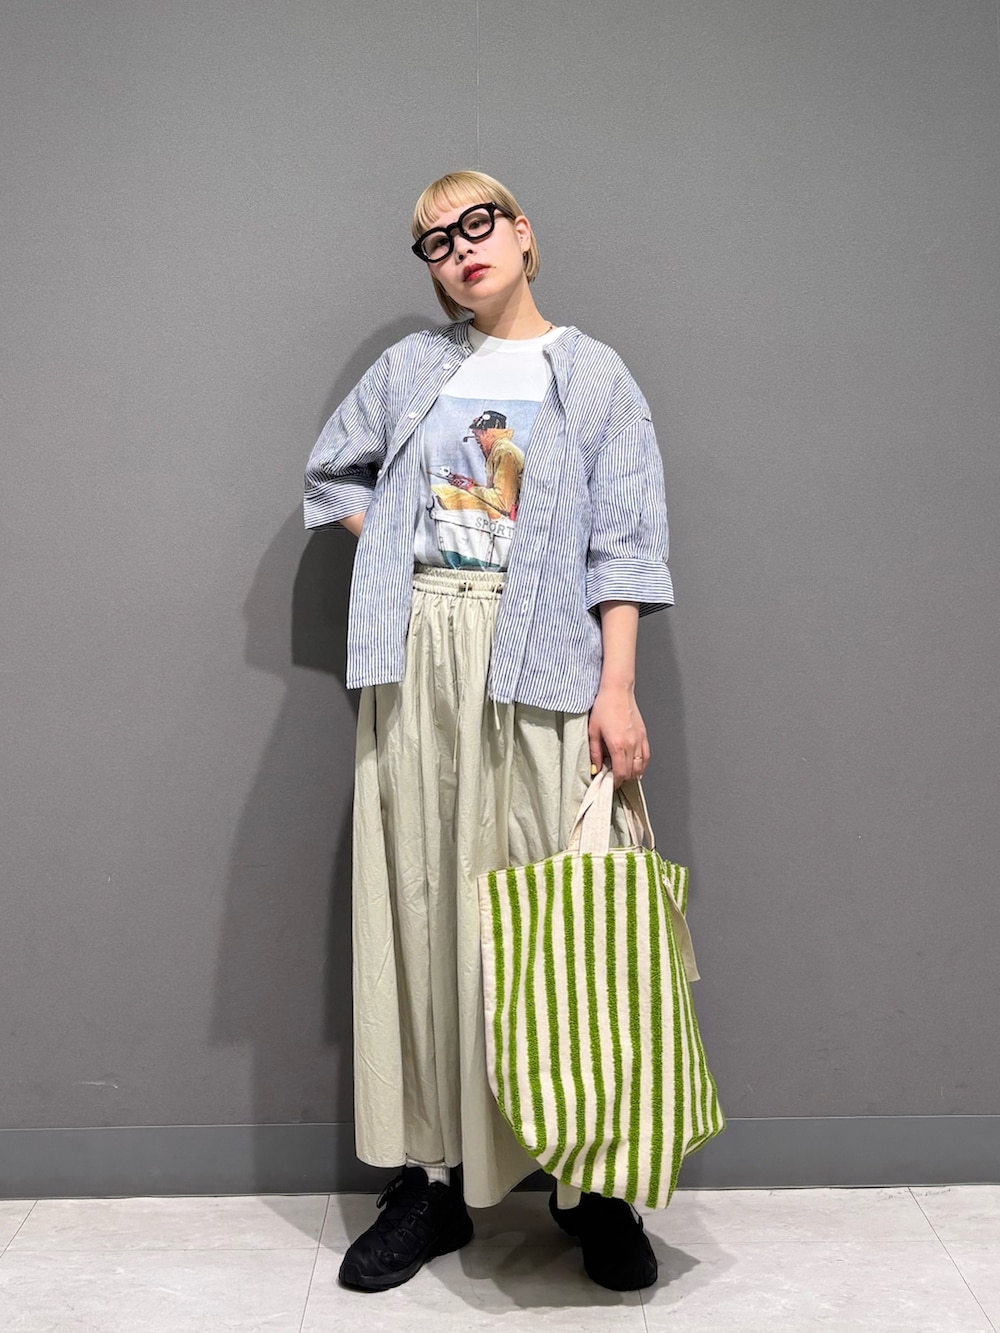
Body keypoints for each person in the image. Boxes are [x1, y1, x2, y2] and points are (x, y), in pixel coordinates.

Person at [303, 171, 673, 1294]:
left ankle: (591, 1183)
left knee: (560, 919)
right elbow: (333, 473)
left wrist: (618, 689)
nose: (459, 249)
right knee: (420, 906)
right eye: (434, 241)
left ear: (521, 233)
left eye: (477, 224)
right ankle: (430, 1181)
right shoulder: (412, 369)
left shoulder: (594, 376)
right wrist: (397, 545)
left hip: (544, 658)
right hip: (419, 659)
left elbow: (625, 545)